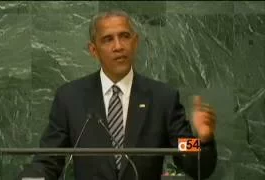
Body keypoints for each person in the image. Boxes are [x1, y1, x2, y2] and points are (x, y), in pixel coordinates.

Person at [18, 10, 217, 180]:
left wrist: (203, 140)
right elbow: (47, 160)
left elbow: (188, 155)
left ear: (135, 42)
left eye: (124, 36)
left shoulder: (163, 98)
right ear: (93, 50)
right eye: (108, 39)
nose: (118, 46)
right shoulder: (70, 98)